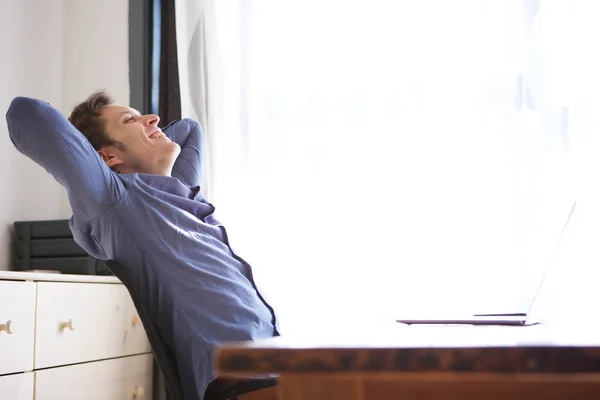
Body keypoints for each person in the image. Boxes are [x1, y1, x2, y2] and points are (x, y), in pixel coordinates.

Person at [6, 93, 278, 400]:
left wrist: (141, 134)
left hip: (278, 364)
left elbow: (190, 130)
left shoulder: (184, 199)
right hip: (244, 382)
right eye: (130, 120)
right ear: (106, 158)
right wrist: (97, 161)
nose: (153, 119)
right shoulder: (116, 202)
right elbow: (26, 113)